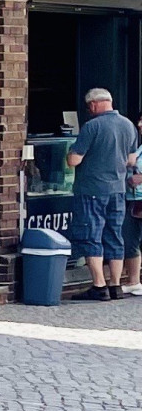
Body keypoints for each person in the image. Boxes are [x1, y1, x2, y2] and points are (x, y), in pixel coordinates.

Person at [68, 87, 140, 299]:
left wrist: (69, 154)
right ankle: (115, 285)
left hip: (92, 189)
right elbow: (131, 160)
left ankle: (99, 286)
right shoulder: (128, 125)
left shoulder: (92, 126)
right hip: (118, 190)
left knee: (92, 235)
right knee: (114, 235)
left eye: (88, 106)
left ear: (93, 104)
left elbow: (74, 160)